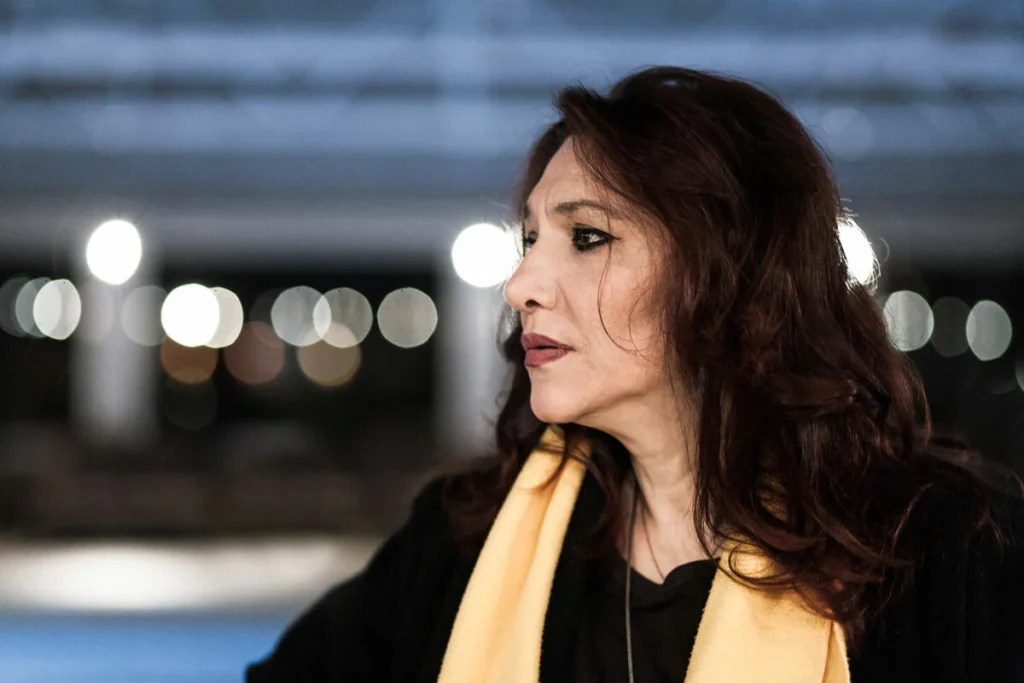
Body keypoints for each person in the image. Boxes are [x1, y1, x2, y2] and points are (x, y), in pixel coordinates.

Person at [246, 66, 1024, 683]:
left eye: (587, 236)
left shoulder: (940, 552)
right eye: (530, 240)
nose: (521, 285)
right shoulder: (459, 540)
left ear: (730, 272)